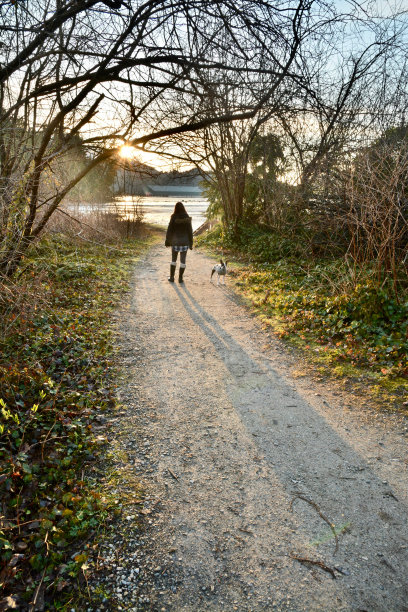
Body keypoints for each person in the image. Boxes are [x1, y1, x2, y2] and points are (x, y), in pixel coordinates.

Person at [165, 201, 193, 283]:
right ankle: (180, 278)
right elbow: (190, 231)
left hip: (175, 242)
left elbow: (170, 230)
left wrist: (167, 240)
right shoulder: (187, 217)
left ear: (175, 208)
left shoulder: (173, 217)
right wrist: (191, 243)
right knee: (183, 261)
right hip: (184, 242)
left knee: (174, 260)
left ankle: (172, 277)